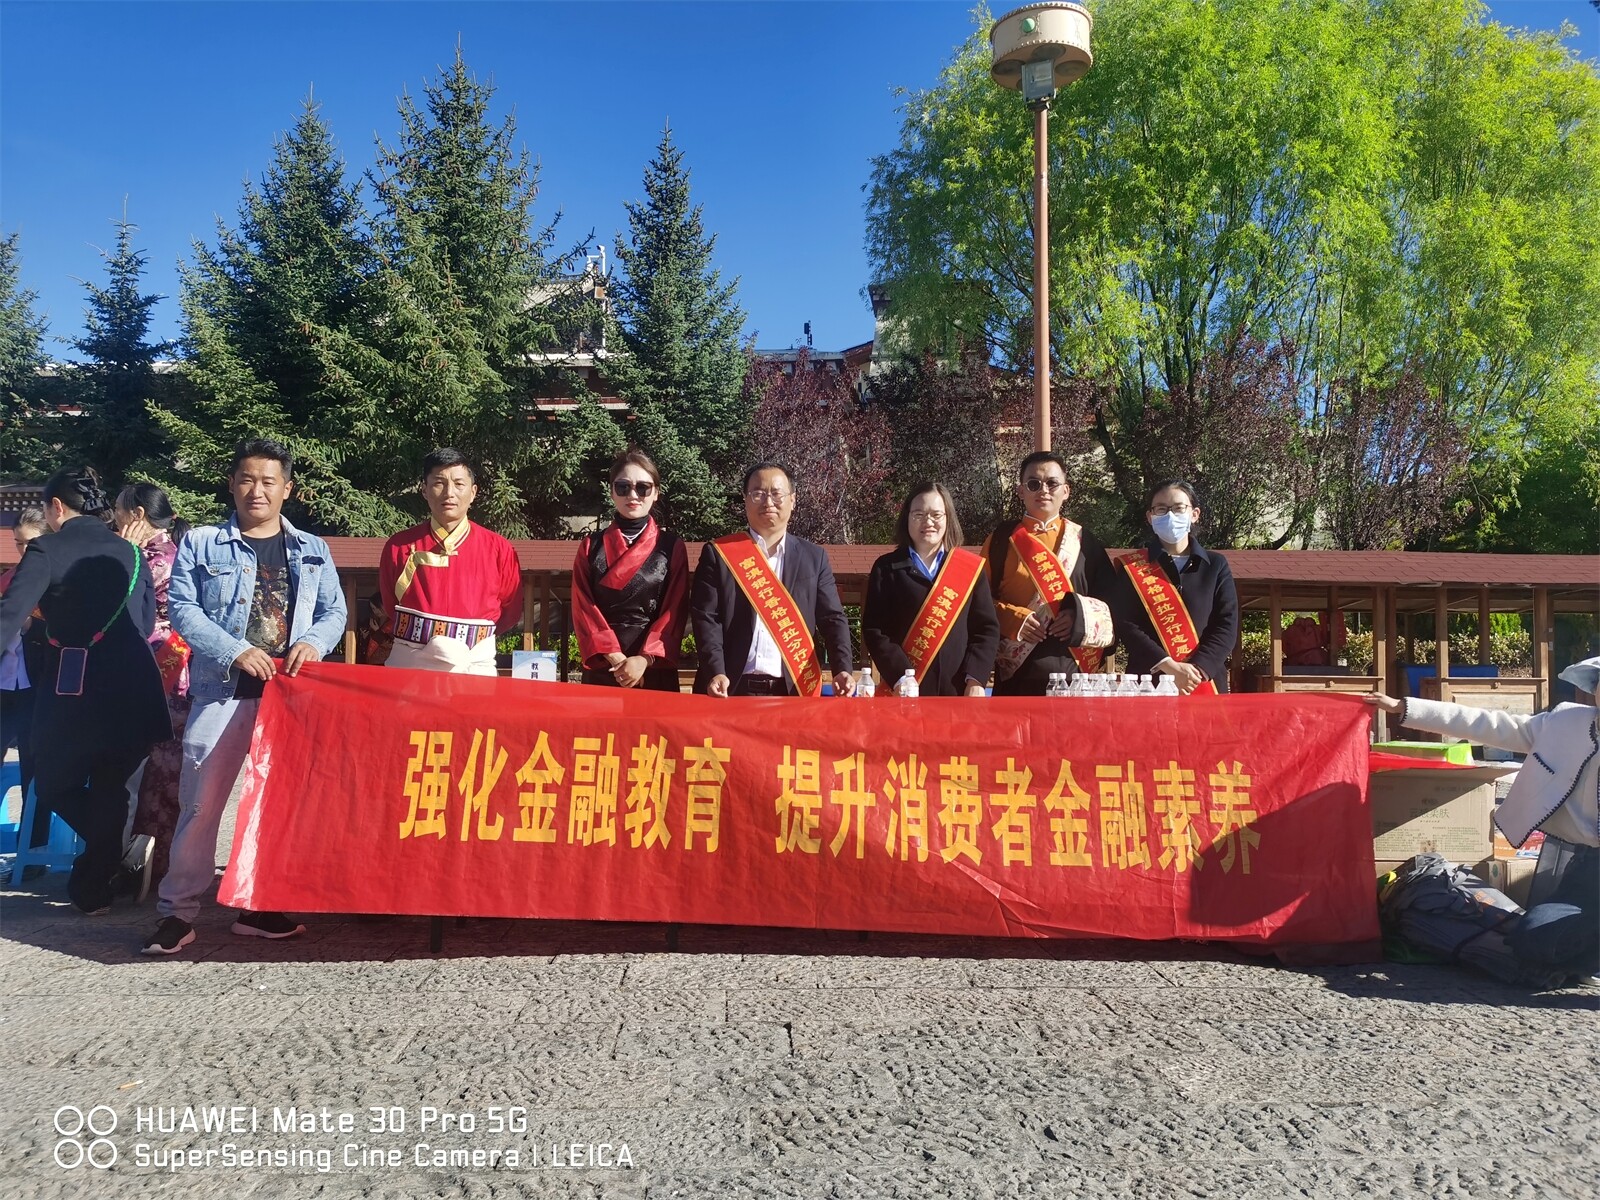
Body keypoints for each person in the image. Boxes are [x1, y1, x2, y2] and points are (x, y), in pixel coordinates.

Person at [143, 439, 347, 955]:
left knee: (277, 806)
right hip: (223, 693)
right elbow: (184, 609)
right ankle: (177, 912)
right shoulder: (202, 543)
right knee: (201, 804)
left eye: (269, 481)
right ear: (232, 484)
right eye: (248, 479)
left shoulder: (313, 549)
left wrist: (313, 642)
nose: (258, 490)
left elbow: (335, 612)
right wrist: (235, 651)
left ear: (287, 489)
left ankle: (259, 906)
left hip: (288, 698)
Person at [1364, 655, 1600, 980]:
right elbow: (1490, 724)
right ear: (1594, 690)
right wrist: (1404, 707)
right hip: (1587, 868)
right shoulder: (1564, 724)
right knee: (1533, 939)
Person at [0, 468, 169, 914]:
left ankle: (111, 857)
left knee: (53, 783)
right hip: (135, 689)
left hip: (74, 692)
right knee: (112, 786)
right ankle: (96, 887)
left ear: (56, 507)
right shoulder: (131, 553)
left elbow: (9, 617)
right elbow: (144, 623)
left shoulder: (46, 549)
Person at [691, 462, 854, 697]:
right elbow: (706, 618)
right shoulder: (719, 554)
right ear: (745, 499)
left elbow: (832, 618)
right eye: (757, 493)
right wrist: (715, 671)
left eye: (777, 493)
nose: (768, 502)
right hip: (729, 688)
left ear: (793, 500)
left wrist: (843, 668)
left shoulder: (814, 557)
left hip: (793, 691)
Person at [375, 447, 522, 676]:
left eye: (459, 484)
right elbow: (390, 604)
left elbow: (510, 612)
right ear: (424, 490)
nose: (449, 493)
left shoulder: (500, 550)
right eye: (439, 483)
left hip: (474, 668)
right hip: (411, 667)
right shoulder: (398, 547)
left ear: (473, 492)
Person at [980, 451, 1117, 696]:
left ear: (1066, 491)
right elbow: (977, 601)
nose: (1043, 490)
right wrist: (1012, 619)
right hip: (1015, 675)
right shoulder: (1000, 540)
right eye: (1033, 484)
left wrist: (1079, 619)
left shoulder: (1085, 542)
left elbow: (1113, 604)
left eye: (1052, 483)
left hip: (1073, 676)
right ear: (1021, 491)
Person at [114, 482, 191, 893]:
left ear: (138, 515)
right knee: (166, 771)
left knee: (142, 772)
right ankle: (160, 863)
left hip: (150, 666)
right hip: (174, 671)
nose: (115, 518)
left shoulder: (144, 558)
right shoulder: (177, 554)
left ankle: (137, 861)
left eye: (119, 510)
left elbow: (120, 611)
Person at [862, 482, 998, 697]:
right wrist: (901, 677)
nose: (928, 522)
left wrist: (975, 679)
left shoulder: (969, 568)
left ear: (948, 518)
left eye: (936, 515)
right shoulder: (887, 568)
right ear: (906, 518)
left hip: (958, 692)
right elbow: (875, 630)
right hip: (904, 692)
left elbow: (985, 629)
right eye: (919, 514)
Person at [571, 448, 689, 690]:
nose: (633, 495)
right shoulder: (590, 546)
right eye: (623, 487)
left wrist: (644, 659)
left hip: (653, 665)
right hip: (605, 663)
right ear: (612, 492)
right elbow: (583, 607)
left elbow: (674, 609)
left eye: (643, 488)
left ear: (656, 493)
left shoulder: (671, 547)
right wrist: (615, 657)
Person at [1112, 478, 1239, 695]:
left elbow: (1226, 624)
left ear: (1194, 514)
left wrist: (1196, 670)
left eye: (1179, 508)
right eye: (1161, 509)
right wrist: (1169, 666)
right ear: (1150, 517)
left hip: (1203, 682)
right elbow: (1126, 624)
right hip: (1149, 682)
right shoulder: (1132, 567)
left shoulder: (1215, 565)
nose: (1170, 516)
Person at [1, 507, 49, 861]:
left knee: (36, 769)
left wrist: (36, 627)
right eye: (18, 543)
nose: (23, 551)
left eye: (30, 543)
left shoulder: (59, 581)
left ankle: (31, 852)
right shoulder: (8, 580)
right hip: (4, 685)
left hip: (37, 686)